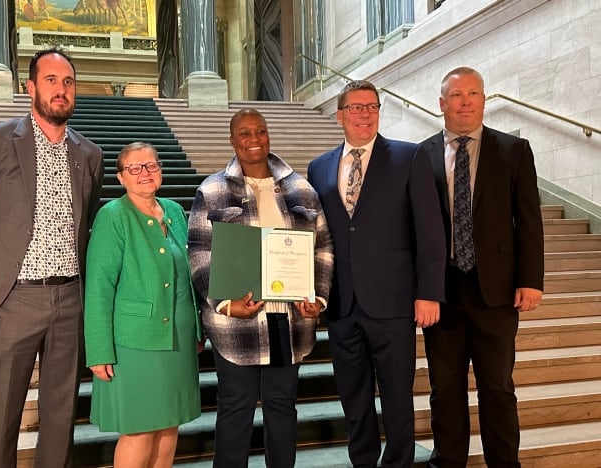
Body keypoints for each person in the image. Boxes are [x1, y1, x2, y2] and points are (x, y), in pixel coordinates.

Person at [0, 48, 104, 467]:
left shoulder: (89, 155)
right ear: (31, 87)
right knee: (1, 413)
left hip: (70, 299)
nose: (61, 90)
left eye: (68, 82)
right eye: (51, 80)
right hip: (13, 299)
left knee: (60, 414)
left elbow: (86, 222)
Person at [307, 80, 446, 468]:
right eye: (355, 107)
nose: (364, 114)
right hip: (342, 302)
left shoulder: (408, 156)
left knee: (397, 394)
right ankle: (363, 461)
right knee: (353, 394)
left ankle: (399, 462)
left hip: (395, 300)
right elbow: (317, 236)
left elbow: (430, 229)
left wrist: (429, 292)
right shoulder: (319, 167)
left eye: (371, 107)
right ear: (339, 115)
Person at [188, 109, 333, 468]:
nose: (254, 139)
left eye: (261, 131)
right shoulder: (212, 190)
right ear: (232, 140)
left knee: (282, 407)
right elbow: (199, 253)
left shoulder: (302, 188)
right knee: (235, 407)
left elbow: (323, 247)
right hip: (236, 322)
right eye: (245, 133)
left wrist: (319, 296)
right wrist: (224, 304)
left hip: (288, 317)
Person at [420, 66, 544, 468]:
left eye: (474, 93)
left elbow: (528, 220)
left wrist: (530, 280)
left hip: (497, 292)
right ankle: (448, 462)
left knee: (497, 388)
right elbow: (414, 228)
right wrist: (420, 287)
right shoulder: (420, 155)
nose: (466, 101)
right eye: (457, 95)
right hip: (442, 293)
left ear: (484, 99)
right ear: (442, 104)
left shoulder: (513, 150)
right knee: (445, 389)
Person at [84, 142, 202, 467]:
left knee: (168, 427)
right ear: (121, 177)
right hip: (134, 343)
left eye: (151, 166)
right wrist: (98, 351)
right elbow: (98, 288)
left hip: (178, 341)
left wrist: (197, 328)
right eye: (134, 168)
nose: (144, 173)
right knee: (139, 431)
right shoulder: (113, 217)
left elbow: (188, 275)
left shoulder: (175, 211)